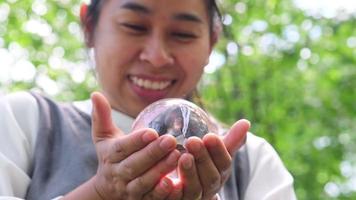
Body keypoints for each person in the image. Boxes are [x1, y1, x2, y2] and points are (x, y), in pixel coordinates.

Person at [0, 0, 297, 199]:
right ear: (89, 27)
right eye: (134, 26)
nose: (156, 57)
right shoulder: (25, 121)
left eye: (182, 34)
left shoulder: (251, 160)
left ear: (211, 43)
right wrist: (100, 193)